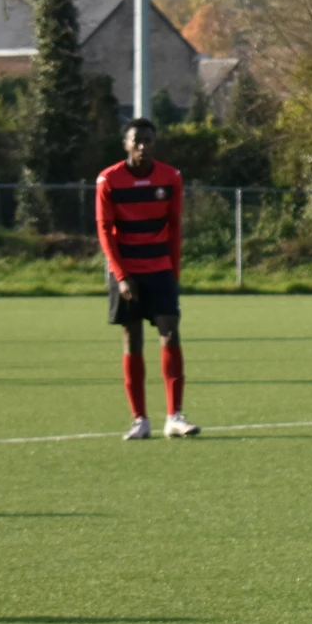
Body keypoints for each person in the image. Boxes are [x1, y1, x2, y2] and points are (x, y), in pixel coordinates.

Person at [98, 119, 197, 439]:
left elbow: (175, 227)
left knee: (171, 333)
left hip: (160, 270)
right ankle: (140, 419)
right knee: (133, 340)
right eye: (137, 141)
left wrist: (174, 274)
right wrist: (121, 275)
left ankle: (175, 417)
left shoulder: (171, 177)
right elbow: (104, 231)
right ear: (125, 144)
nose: (143, 146)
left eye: (149, 141)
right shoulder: (108, 180)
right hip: (126, 272)